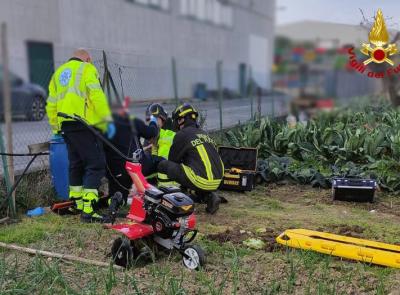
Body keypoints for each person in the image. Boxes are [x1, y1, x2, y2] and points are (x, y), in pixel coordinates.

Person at [46, 49, 115, 222]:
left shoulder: (58, 73)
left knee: (76, 163)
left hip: (65, 126)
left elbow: (51, 104)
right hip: (84, 124)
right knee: (96, 164)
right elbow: (97, 96)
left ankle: (76, 203)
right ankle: (89, 210)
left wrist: (56, 127)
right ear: (88, 59)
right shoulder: (87, 69)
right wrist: (106, 120)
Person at [157, 103, 224, 214]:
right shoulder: (204, 133)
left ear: (181, 119)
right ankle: (209, 196)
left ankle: (170, 196)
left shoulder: (181, 134)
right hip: (218, 180)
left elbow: (173, 160)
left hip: (200, 180)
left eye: (177, 120)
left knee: (164, 165)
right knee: (192, 170)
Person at [105, 104, 159, 204]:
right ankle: (159, 187)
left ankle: (113, 200)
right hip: (136, 166)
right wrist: (153, 121)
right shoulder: (132, 121)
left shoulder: (103, 128)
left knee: (118, 198)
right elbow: (151, 132)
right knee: (159, 161)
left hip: (116, 172)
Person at [144, 103, 177, 187]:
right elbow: (151, 156)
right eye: (149, 120)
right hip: (161, 171)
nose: (151, 123)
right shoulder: (153, 133)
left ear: (161, 118)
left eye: (153, 119)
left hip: (170, 175)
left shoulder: (170, 131)